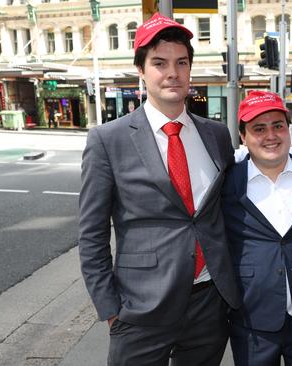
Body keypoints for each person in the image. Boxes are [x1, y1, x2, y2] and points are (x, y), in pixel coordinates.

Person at [78, 13, 239, 366]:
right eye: (159, 63)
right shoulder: (108, 140)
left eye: (181, 62)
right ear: (141, 70)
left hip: (209, 303)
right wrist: (110, 309)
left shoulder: (216, 135)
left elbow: (224, 212)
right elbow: (91, 235)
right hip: (140, 309)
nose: (172, 73)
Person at [223, 91, 292, 365]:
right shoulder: (226, 182)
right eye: (258, 129)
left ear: (289, 129)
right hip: (252, 324)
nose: (270, 136)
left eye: (278, 126)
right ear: (243, 137)